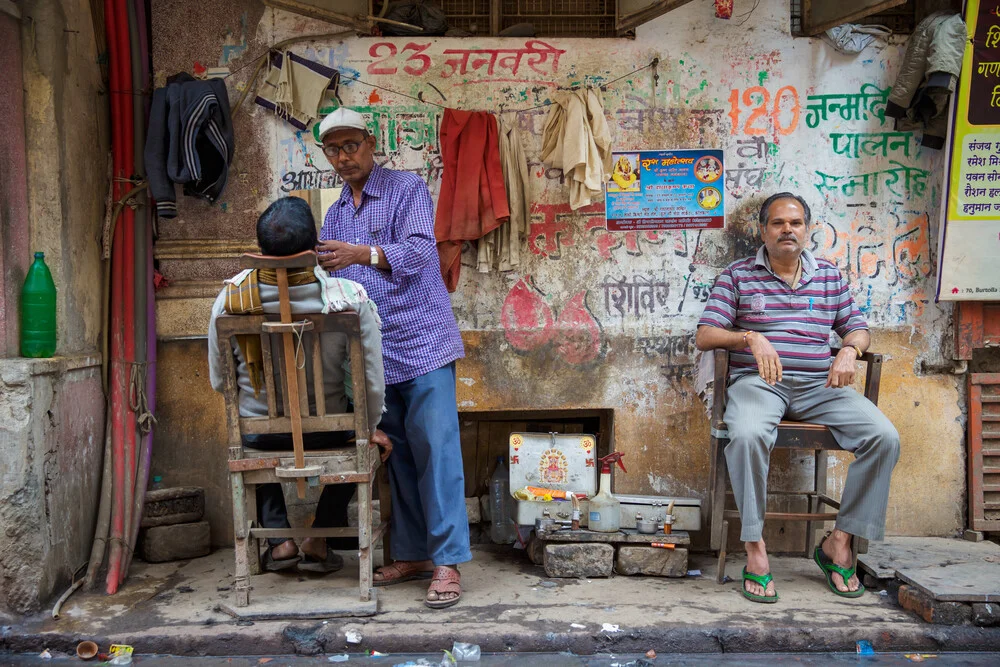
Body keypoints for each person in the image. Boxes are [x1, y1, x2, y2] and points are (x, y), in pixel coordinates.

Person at [696, 192, 900, 603]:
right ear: (763, 230)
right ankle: (755, 548)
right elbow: (706, 335)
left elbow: (857, 328)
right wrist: (751, 336)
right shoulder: (736, 276)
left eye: (795, 223)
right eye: (778, 223)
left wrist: (848, 349)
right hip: (759, 383)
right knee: (749, 435)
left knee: (884, 436)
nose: (787, 230)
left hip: (818, 386)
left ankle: (839, 541)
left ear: (807, 230)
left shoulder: (829, 276)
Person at [313, 107, 471, 609]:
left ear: (370, 142)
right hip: (378, 353)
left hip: (423, 342)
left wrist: (361, 254)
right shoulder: (336, 213)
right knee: (398, 457)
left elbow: (421, 253)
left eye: (351, 146)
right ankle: (413, 554)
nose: (343, 158)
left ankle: (447, 562)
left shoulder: (406, 189)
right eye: (333, 150)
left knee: (438, 452)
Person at [208, 196, 391, 574]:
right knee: (360, 438)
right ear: (315, 245)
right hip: (332, 434)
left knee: (257, 432)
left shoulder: (230, 299)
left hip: (258, 434)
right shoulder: (348, 298)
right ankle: (319, 538)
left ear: (262, 249)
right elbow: (371, 381)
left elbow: (219, 382)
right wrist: (369, 427)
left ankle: (279, 542)